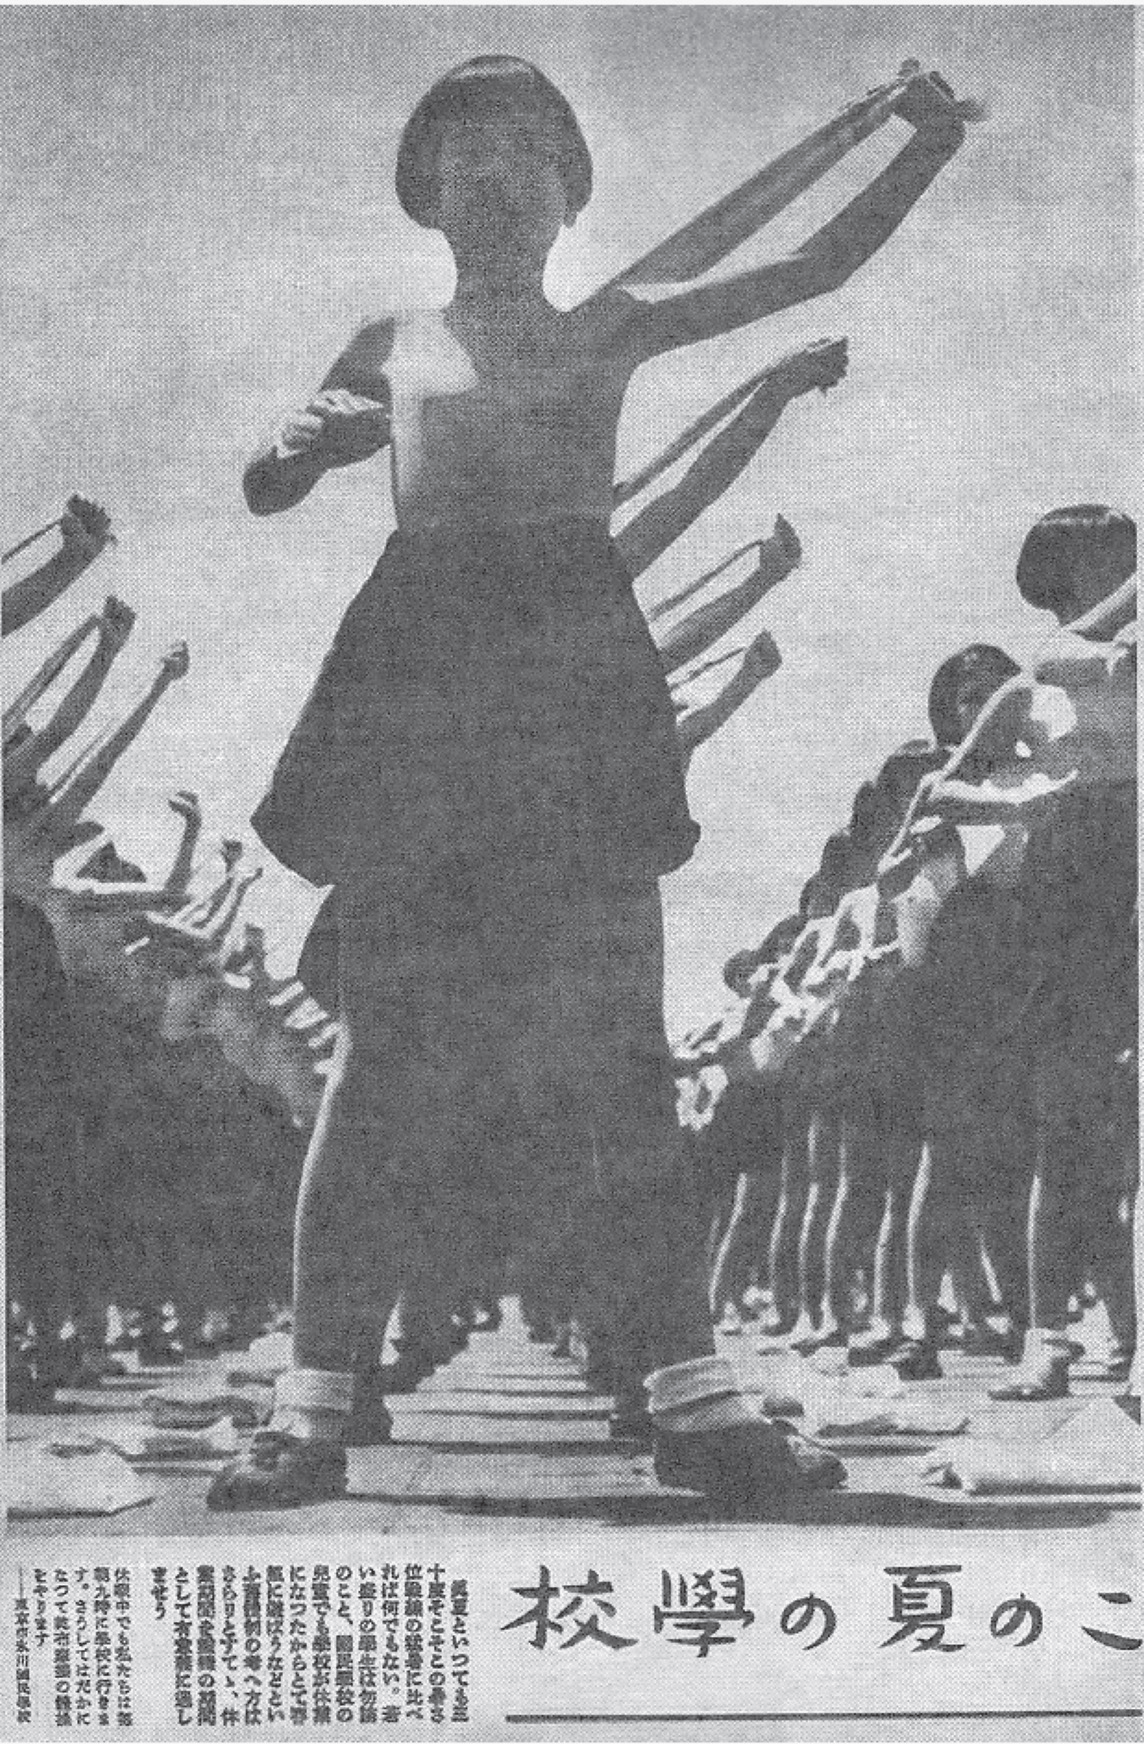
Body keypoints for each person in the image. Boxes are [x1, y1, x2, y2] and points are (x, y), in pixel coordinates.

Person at [210, 53, 968, 1510]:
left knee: (617, 1051)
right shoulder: (389, 340)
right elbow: (265, 481)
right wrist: (296, 445)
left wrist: (923, 146)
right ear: (427, 192)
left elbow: (817, 261)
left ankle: (695, 1404)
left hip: (570, 686)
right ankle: (308, 1410)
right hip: (419, 687)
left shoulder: (616, 322)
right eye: (467, 149)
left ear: (571, 196)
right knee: (380, 1059)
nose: (497, 171)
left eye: (529, 149)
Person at [922, 507, 1136, 1399]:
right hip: (1076, 895)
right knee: (1070, 1127)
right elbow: (941, 791)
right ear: (1070, 570)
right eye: (1118, 553)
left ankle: (1126, 1335)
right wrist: (1020, 802)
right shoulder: (1038, 679)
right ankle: (1048, 1337)